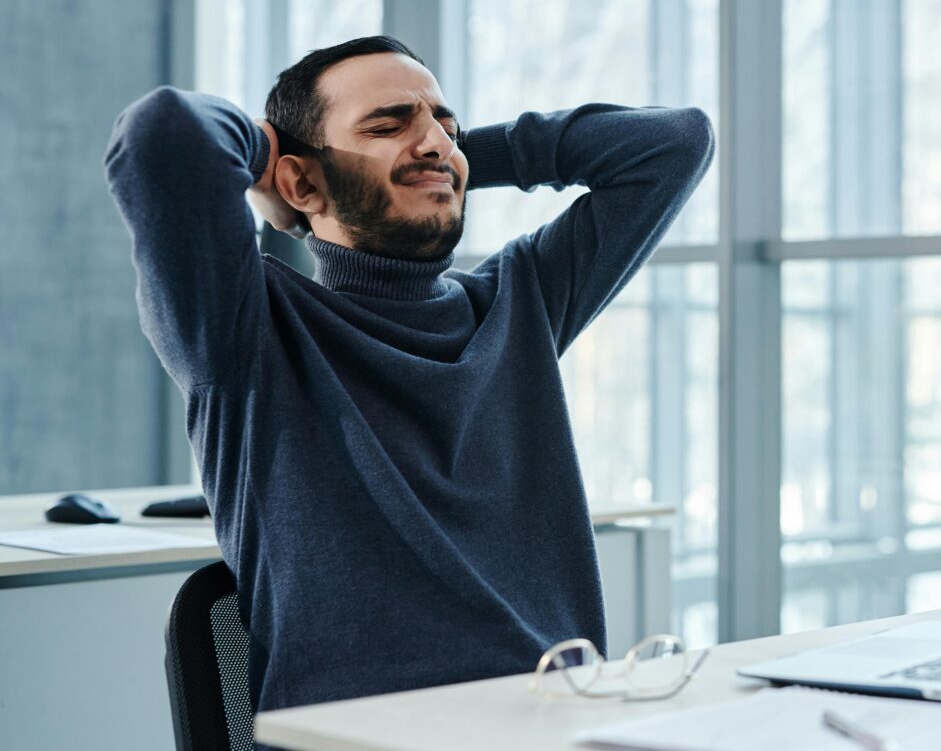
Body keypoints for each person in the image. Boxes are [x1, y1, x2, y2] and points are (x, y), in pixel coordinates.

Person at [104, 35, 714, 716]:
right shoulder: (248, 331)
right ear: (301, 182)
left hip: (557, 722)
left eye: (447, 127)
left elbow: (674, 143)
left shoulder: (521, 302)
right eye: (387, 125)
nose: (434, 142)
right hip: (363, 738)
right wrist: (274, 161)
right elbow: (165, 134)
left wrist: (442, 159)